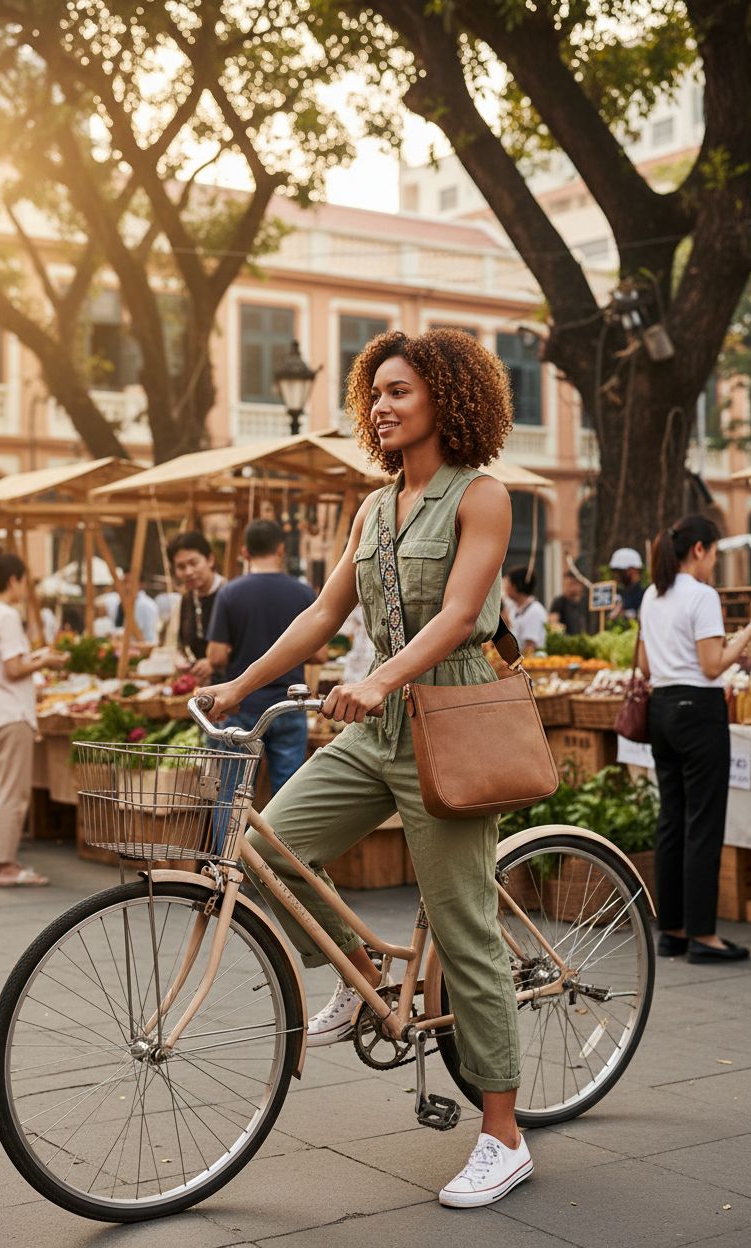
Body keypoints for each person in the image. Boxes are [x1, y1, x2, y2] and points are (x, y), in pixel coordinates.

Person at [200, 327, 531, 1210]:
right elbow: (320, 616)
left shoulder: (482, 497)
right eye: (374, 393)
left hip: (452, 719)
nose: (382, 407)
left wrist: (381, 675)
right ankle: (364, 970)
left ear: (447, 400)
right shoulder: (374, 509)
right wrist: (240, 682)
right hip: (379, 729)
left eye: (400, 392)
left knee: (464, 934)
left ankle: (503, 1135)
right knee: (269, 851)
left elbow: (462, 614)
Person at [638, 515, 751, 964]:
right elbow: (713, 665)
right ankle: (704, 935)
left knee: (672, 820)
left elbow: (643, 665)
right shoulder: (701, 596)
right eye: (715, 553)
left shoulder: (651, 594)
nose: (715, 563)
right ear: (699, 549)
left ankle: (673, 931)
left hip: (661, 710)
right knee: (703, 823)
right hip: (698, 711)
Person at [206, 520, 325, 796]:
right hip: (289, 705)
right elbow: (320, 656)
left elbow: (216, 657)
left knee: (231, 795)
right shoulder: (303, 592)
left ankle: (228, 842)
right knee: (287, 796)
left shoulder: (230, 593)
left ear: (245, 553)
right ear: (281, 549)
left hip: (242, 706)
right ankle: (283, 842)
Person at [0, 552, 67, 887]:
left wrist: (34, 658)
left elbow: (5, 663)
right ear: (14, 580)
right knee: (12, 791)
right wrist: (44, 662)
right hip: (10, 712)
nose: (26, 588)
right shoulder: (7, 615)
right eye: (25, 580)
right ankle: (8, 865)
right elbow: (13, 669)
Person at [167, 531, 224, 683]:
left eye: (194, 563)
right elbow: (182, 643)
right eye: (181, 566)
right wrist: (181, 660)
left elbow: (246, 646)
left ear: (210, 560)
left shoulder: (230, 594)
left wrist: (215, 663)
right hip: (203, 688)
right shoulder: (187, 599)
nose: (188, 572)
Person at [103, 570, 159, 643]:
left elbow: (147, 636)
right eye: (124, 582)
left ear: (141, 584)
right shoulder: (119, 602)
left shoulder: (145, 605)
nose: (126, 586)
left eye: (130, 582)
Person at [502, 565, 547, 656]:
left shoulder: (534, 611)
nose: (504, 588)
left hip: (530, 664)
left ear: (515, 586)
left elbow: (530, 648)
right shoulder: (513, 608)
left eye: (507, 583)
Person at [549, 570, 590, 635]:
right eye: (565, 585)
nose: (567, 588)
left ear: (580, 584)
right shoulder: (559, 602)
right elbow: (552, 623)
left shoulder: (586, 601)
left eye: (570, 584)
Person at [609, 547, 645, 619]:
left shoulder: (644, 595)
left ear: (632, 570)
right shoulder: (619, 593)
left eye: (619, 571)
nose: (616, 576)